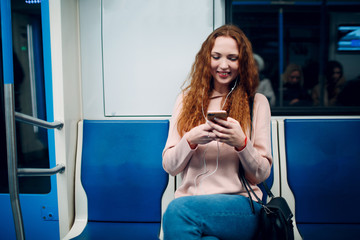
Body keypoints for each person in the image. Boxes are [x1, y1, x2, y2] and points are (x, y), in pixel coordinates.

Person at [162, 25, 272, 240]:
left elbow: (261, 175)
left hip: (241, 206)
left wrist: (241, 143)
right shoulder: (186, 100)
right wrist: (190, 140)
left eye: (232, 58)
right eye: (216, 57)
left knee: (177, 211)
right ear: (206, 59)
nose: (224, 65)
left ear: (243, 63)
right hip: (193, 204)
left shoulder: (256, 103)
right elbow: (170, 167)